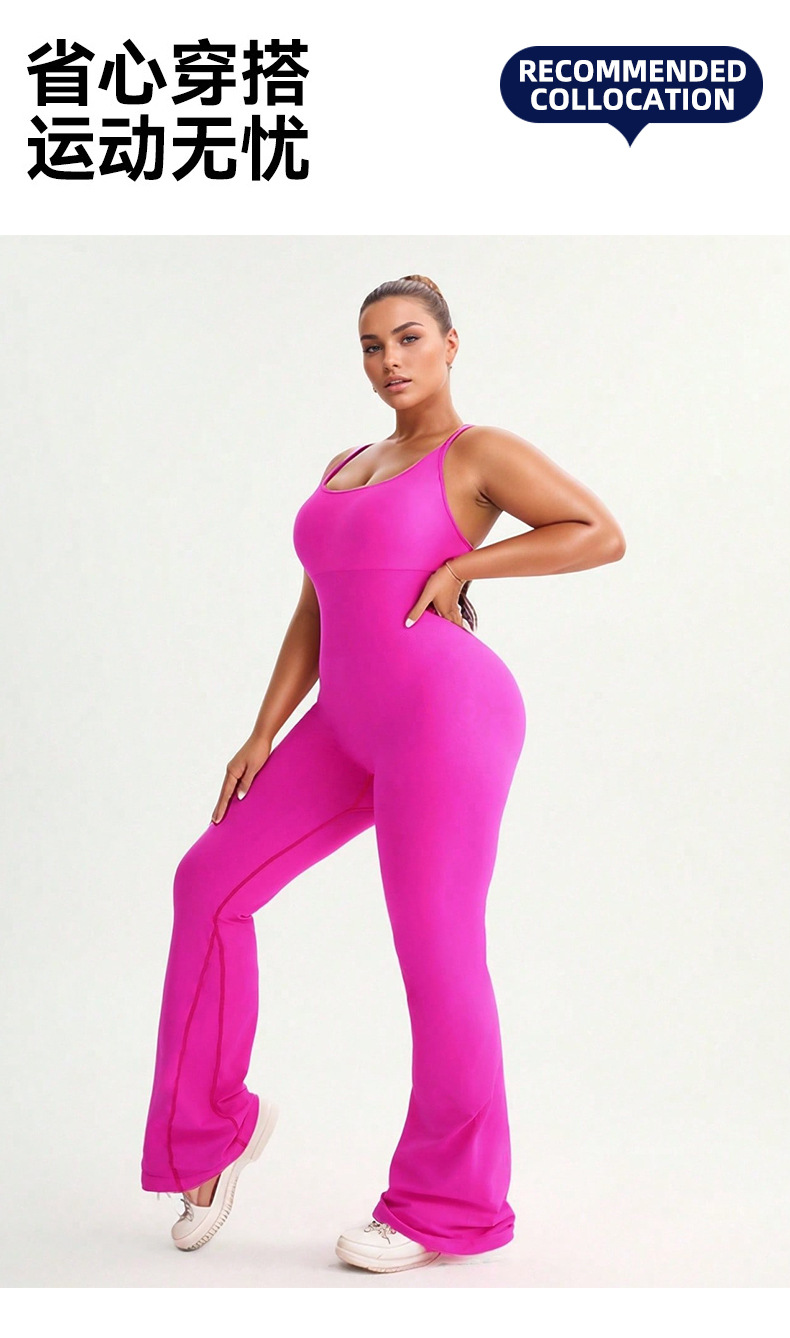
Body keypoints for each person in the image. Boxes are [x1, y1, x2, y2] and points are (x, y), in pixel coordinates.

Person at [140, 273, 626, 1273]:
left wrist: (464, 568)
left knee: (436, 949)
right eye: (371, 346)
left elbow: (598, 532)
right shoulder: (345, 465)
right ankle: (213, 1131)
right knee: (207, 883)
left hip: (445, 716)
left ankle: (446, 1205)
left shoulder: (477, 452)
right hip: (342, 721)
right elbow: (316, 607)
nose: (390, 360)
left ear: (450, 344)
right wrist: (263, 730)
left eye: (408, 338)